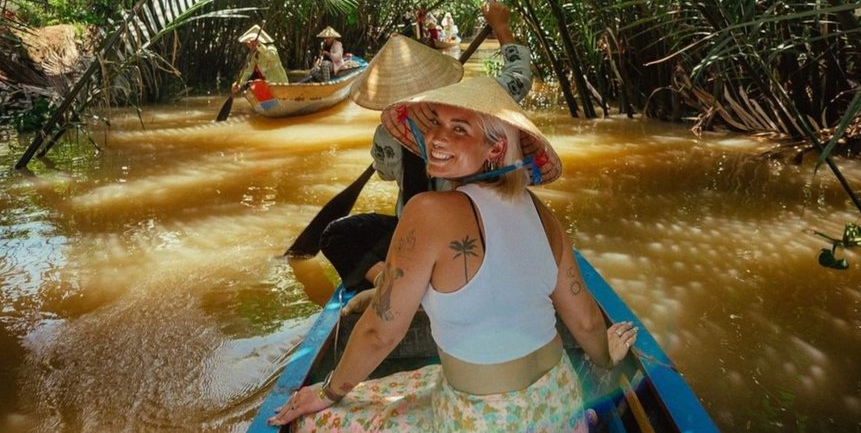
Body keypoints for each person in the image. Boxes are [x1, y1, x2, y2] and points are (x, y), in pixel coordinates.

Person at [269, 76, 640, 430]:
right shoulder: (542, 214)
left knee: (312, 421)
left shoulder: (427, 211)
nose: (435, 139)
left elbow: (380, 334)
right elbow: (588, 322)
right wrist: (606, 357)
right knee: (427, 381)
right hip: (560, 409)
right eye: (436, 124)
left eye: (459, 129)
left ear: (495, 148)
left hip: (481, 422)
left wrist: (326, 392)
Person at [320, 1, 533, 295]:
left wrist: (387, 149)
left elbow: (384, 174)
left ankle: (388, 281)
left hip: (419, 233)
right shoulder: (473, 109)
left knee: (336, 235)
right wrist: (501, 27)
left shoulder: (385, 135)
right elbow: (519, 77)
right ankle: (398, 283)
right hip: (475, 233)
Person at [231, 24, 288, 92]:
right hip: (270, 87)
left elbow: (271, 56)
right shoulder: (255, 55)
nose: (249, 45)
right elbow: (248, 71)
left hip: (281, 84)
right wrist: (239, 83)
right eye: (248, 43)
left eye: (251, 42)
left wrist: (259, 45)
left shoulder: (271, 48)